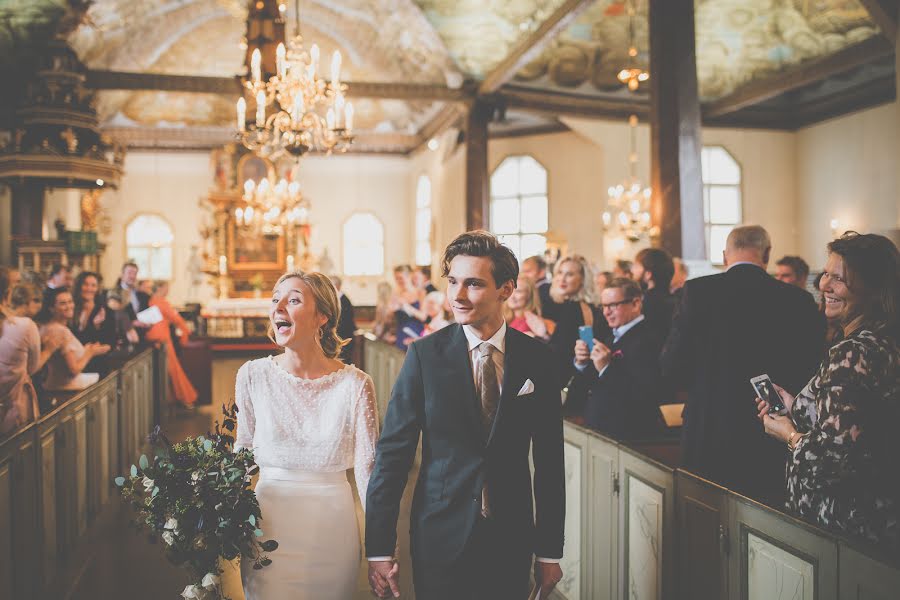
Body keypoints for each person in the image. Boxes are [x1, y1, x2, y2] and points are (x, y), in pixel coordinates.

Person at [366, 231, 565, 600]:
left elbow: (551, 463)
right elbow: (392, 457)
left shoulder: (538, 359)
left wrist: (549, 550)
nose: (457, 296)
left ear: (506, 289)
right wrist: (379, 547)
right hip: (438, 533)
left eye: (473, 284)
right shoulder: (424, 357)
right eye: (453, 282)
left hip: (512, 535)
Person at [236, 271, 378, 598]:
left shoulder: (355, 385)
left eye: (294, 300)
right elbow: (240, 458)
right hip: (266, 530)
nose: (279, 307)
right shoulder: (252, 376)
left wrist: (382, 549)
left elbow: (369, 475)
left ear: (322, 316)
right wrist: (216, 524)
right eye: (275, 299)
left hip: (332, 531)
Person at [756, 232, 900, 554]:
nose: (824, 285)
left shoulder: (854, 353)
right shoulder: (882, 342)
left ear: (874, 290)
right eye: (826, 274)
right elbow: (858, 424)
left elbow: (830, 460)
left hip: (846, 527)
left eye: (839, 279)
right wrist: (798, 405)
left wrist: (789, 434)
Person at [661, 225, 824, 505]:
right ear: (767, 253)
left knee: (703, 525)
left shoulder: (698, 292)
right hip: (771, 437)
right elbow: (811, 373)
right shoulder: (797, 300)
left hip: (709, 432)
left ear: (725, 255)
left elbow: (672, 367)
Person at [574, 278, 665, 438]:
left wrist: (606, 368)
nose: (606, 312)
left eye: (613, 306)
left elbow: (643, 394)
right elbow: (595, 381)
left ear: (636, 304)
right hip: (601, 428)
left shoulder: (650, 339)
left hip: (628, 433)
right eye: (603, 306)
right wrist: (582, 363)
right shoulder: (611, 337)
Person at [0, 268, 55, 436]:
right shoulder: (23, 326)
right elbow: (32, 368)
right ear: (9, 292)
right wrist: (49, 349)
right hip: (14, 407)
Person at [547, 255, 609, 393]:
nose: (562, 279)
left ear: (582, 279)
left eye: (569, 274)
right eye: (560, 272)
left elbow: (561, 352)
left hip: (573, 384)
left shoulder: (574, 308)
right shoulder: (578, 306)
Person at [36, 287, 110, 391]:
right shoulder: (60, 331)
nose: (69, 306)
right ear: (52, 308)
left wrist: (87, 349)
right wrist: (90, 353)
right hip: (66, 388)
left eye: (70, 302)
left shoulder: (48, 327)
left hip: (53, 385)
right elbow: (74, 369)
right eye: (63, 303)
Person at [145, 281, 197, 409]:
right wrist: (186, 330)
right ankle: (185, 398)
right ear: (161, 288)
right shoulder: (162, 302)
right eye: (167, 288)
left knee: (166, 371)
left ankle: (171, 399)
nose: (168, 291)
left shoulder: (152, 300)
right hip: (162, 338)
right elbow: (176, 319)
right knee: (173, 369)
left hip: (153, 338)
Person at [631, 248, 676, 338]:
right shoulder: (673, 299)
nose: (632, 270)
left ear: (648, 274)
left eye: (636, 266)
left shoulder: (647, 302)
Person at [504, 275, 555, 341]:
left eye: (518, 291)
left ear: (529, 295)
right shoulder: (503, 318)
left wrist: (543, 336)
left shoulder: (537, 323)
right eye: (510, 290)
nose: (512, 296)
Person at [389, 265, 425, 349]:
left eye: (400, 278)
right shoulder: (396, 294)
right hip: (401, 333)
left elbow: (423, 316)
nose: (398, 281)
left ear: (409, 276)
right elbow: (392, 317)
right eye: (396, 278)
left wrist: (406, 306)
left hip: (416, 333)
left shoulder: (420, 293)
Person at [117, 262, 151, 338]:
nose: (132, 276)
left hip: (141, 335)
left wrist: (148, 322)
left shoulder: (142, 295)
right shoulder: (114, 294)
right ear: (122, 275)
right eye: (129, 273)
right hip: (122, 336)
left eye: (135, 273)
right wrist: (131, 323)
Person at [329, 275, 357, 363]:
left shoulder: (344, 301)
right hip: (339, 338)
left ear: (336, 286)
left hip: (343, 338)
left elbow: (344, 323)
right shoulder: (337, 299)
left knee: (343, 362)